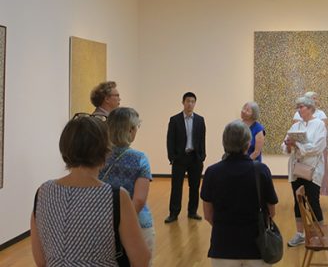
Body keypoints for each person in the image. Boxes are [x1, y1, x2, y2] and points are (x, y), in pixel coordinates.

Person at [31, 114, 150, 267]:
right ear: (106, 151)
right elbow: (141, 258)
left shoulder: (43, 192)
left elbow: (41, 260)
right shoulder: (116, 196)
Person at [201, 120, 278, 267]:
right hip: (257, 248)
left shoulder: (212, 172)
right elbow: (271, 212)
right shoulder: (261, 170)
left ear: (224, 143)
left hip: (222, 246)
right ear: (248, 143)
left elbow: (208, 215)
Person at [99, 107, 155, 263]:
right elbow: (138, 200)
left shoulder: (98, 156)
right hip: (137, 224)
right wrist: (122, 224)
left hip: (102, 224)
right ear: (130, 130)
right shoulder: (140, 158)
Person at [283, 96, 327, 247]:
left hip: (313, 170)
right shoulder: (296, 126)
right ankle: (300, 234)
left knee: (313, 201)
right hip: (297, 170)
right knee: (298, 202)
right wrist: (289, 145)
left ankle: (320, 235)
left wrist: (298, 145)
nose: (299, 110)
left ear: (310, 108)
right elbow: (286, 146)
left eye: (301, 107)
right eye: (298, 107)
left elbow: (316, 147)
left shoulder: (319, 125)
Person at [165, 92, 206, 223]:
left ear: (195, 103)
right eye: (188, 101)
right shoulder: (174, 120)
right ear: (183, 102)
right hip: (180, 158)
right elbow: (170, 140)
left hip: (195, 158)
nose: (190, 104)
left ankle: (192, 212)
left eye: (192, 101)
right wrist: (172, 157)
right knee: (176, 187)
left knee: (194, 187)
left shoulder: (200, 120)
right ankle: (173, 213)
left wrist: (202, 156)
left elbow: (202, 139)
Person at [293, 91, 328, 196]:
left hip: (317, 146)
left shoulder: (321, 113)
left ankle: (316, 192)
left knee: (316, 175)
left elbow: (324, 129)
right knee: (301, 177)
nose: (316, 100)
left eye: (316, 98)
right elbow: (297, 134)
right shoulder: (298, 114)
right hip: (301, 152)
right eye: (313, 98)